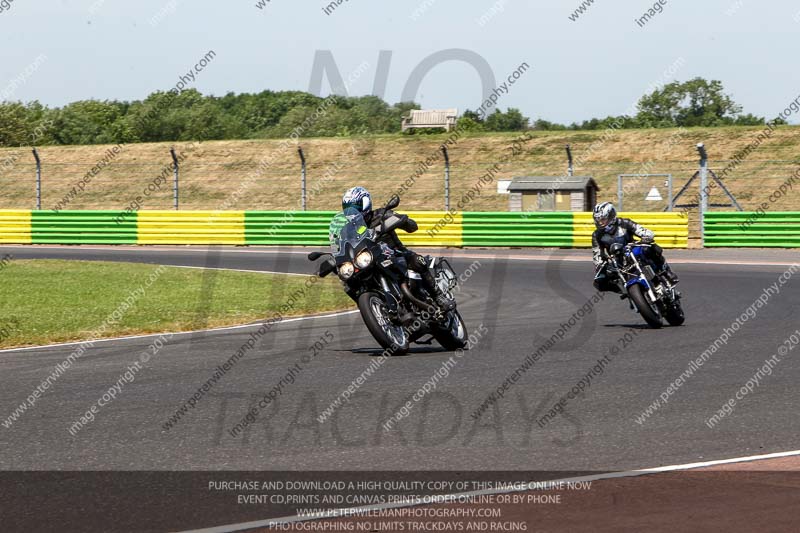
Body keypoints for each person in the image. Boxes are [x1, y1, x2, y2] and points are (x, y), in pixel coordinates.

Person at [341, 186, 455, 310]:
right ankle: (373, 307)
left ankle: (438, 296)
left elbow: (413, 226)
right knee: (349, 283)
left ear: (365, 204)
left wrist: (402, 221)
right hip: (369, 261)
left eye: (355, 209)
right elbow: (342, 248)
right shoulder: (347, 230)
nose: (352, 213)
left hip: (396, 254)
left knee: (417, 260)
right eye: (349, 210)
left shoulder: (381, 215)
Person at [591, 201, 678, 294]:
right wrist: (599, 265)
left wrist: (646, 237)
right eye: (598, 220)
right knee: (599, 281)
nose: (600, 223)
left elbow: (644, 231)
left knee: (649, 248)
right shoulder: (597, 235)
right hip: (618, 261)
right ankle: (624, 292)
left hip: (632, 251)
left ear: (611, 216)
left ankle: (665, 271)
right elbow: (597, 253)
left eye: (603, 219)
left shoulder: (625, 223)